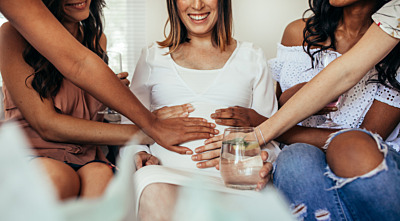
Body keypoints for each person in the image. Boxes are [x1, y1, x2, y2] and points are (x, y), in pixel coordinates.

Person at [0, 0, 218, 200]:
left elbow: (88, 107)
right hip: (34, 151)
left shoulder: (96, 39)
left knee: (102, 177)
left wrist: (107, 91)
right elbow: (46, 124)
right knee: (57, 178)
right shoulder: (12, 34)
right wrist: (149, 130)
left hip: (84, 154)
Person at [204, 0, 400, 219]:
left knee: (351, 147)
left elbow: (367, 137)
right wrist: (290, 99)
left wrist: (259, 126)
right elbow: (277, 107)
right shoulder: (298, 33)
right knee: (295, 159)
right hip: (298, 151)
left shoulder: (394, 37)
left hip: (362, 155)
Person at [120, 0, 279, 220]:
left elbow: (272, 135)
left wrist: (259, 160)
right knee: (155, 191)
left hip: (233, 181)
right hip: (162, 176)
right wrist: (138, 155)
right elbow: (127, 132)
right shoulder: (152, 57)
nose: (197, 4)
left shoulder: (252, 56)